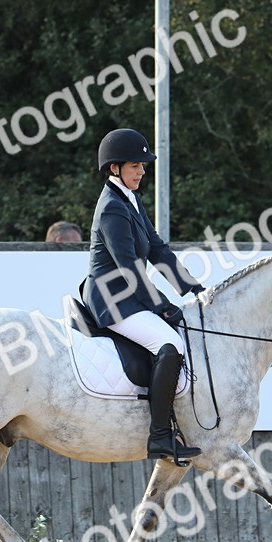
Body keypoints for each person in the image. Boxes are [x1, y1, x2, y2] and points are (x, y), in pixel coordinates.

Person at [81, 128, 206, 463]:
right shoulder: (111, 208)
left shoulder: (130, 200)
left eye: (142, 165)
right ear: (114, 168)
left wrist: (193, 289)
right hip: (112, 298)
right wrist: (162, 306)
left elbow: (158, 250)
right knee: (171, 346)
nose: (142, 171)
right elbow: (127, 267)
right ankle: (160, 437)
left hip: (128, 295)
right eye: (136, 165)